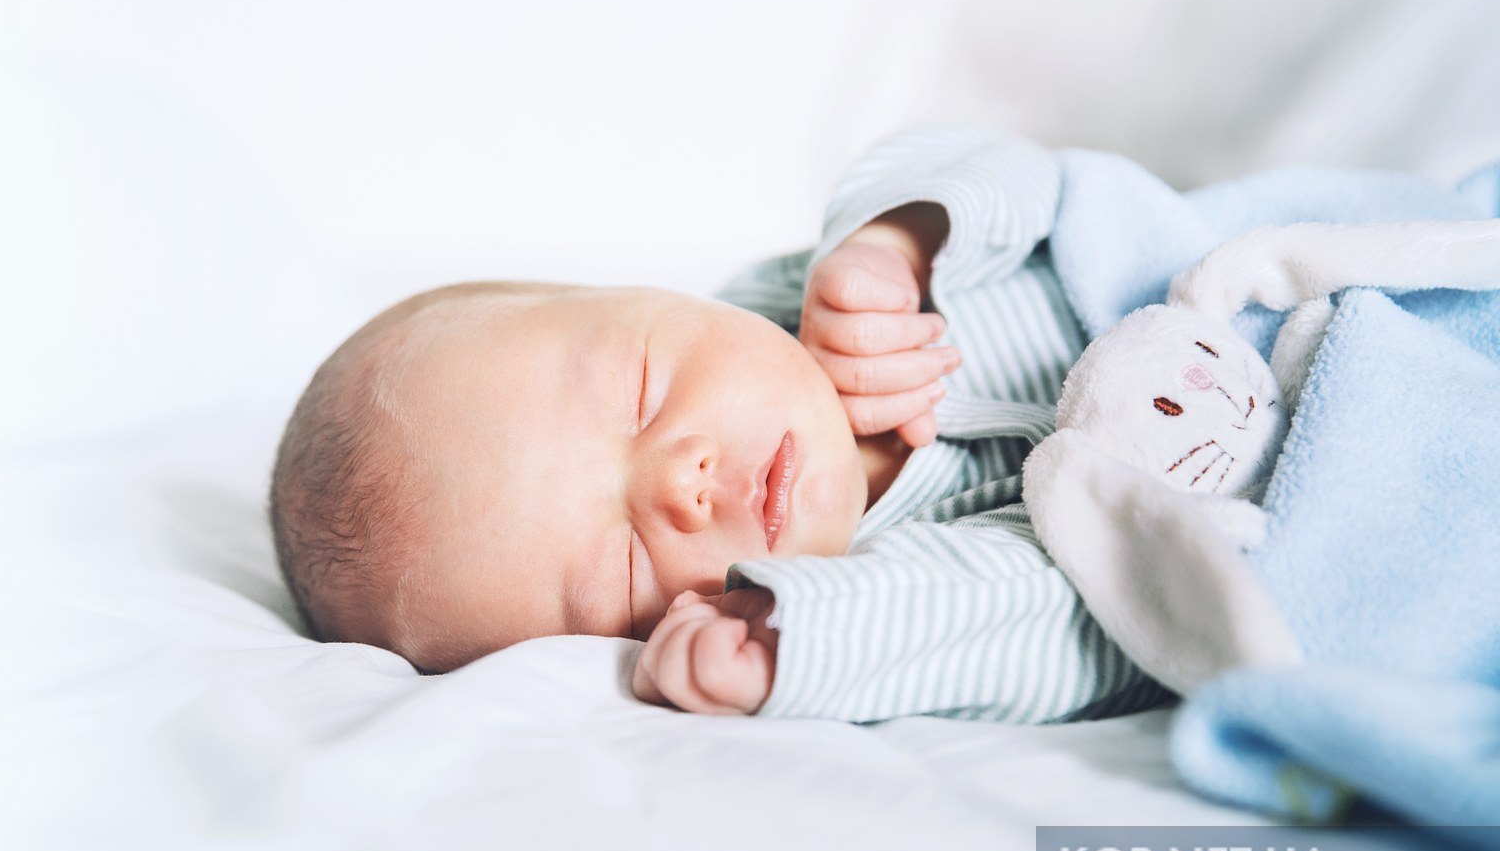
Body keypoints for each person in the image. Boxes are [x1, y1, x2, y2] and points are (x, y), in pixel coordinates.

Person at [268, 125, 1166, 722]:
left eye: (641, 390)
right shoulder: (874, 590)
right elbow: (1092, 621)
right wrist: (792, 646)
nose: (679, 482)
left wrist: (897, 238)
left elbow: (1025, 174)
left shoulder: (794, 300)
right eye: (623, 571)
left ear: (645, 294)